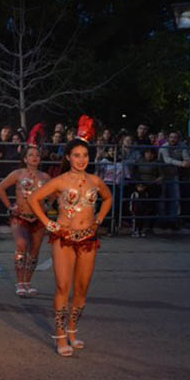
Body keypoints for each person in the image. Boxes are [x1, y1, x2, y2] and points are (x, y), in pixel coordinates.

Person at [29, 117, 113, 357]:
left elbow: (108, 199)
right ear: (68, 157)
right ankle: (60, 334)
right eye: (76, 155)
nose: (81, 160)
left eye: (84, 155)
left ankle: (73, 329)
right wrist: (48, 223)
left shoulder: (95, 182)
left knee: (82, 288)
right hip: (64, 238)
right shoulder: (59, 181)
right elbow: (34, 199)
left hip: (88, 239)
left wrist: (98, 220)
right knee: (63, 286)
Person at [0, 125, 51, 297]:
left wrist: (48, 205)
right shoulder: (18, 174)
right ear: (25, 159)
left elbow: (56, 192)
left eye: (37, 155)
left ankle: (28, 282)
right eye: (31, 155)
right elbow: (0, 187)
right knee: (21, 245)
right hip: (20, 217)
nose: (34, 158)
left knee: (34, 251)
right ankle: (19, 283)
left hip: (38, 219)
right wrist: (10, 206)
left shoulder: (45, 177)